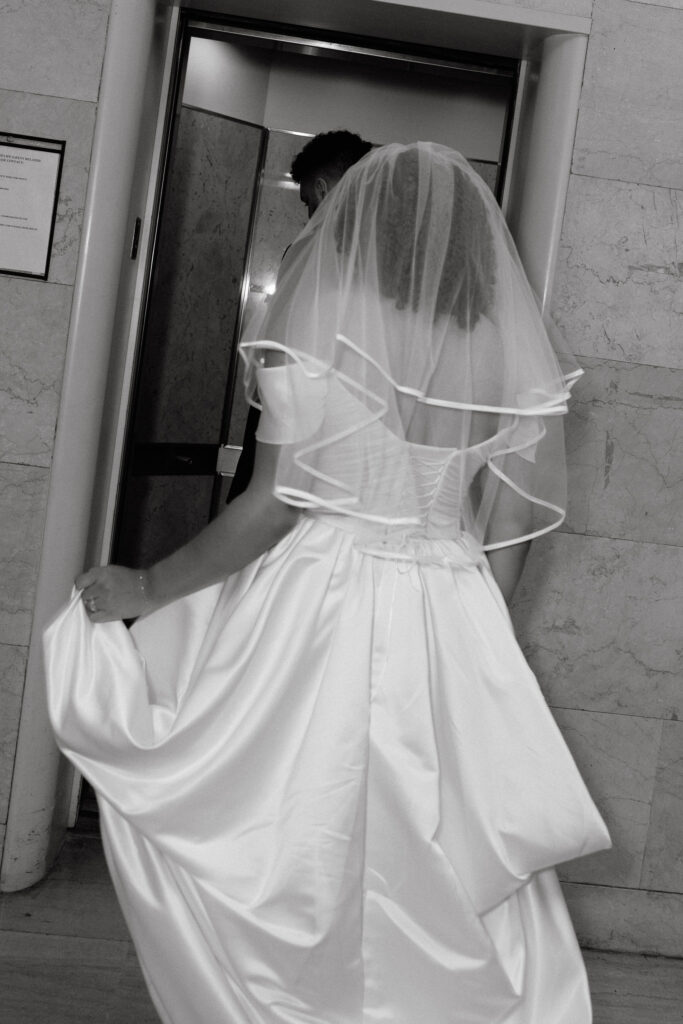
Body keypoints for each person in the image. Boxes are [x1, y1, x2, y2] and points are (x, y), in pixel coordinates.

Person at [45, 142, 610, 1024]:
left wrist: (148, 587)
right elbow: (506, 531)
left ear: (350, 225)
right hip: (449, 599)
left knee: (295, 823)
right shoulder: (495, 345)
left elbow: (273, 506)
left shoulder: (318, 324)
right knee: (437, 831)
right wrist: (476, 642)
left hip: (325, 595)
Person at [229, 129, 373, 501]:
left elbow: (280, 379)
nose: (309, 216)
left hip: (295, 458)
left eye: (309, 201)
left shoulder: (309, 256)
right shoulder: (394, 269)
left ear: (324, 191)